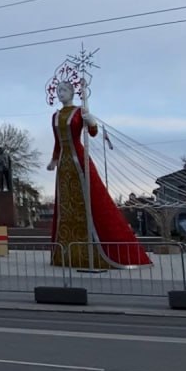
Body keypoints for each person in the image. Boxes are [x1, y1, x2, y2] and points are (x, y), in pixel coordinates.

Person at [47, 77, 151, 268]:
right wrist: (54, 160)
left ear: (71, 93)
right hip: (64, 163)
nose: (60, 94)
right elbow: (57, 141)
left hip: (79, 158)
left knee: (91, 198)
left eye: (64, 91)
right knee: (66, 203)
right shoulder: (55, 116)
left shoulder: (80, 111)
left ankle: (98, 249)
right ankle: (68, 251)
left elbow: (92, 133)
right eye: (58, 91)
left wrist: (91, 122)